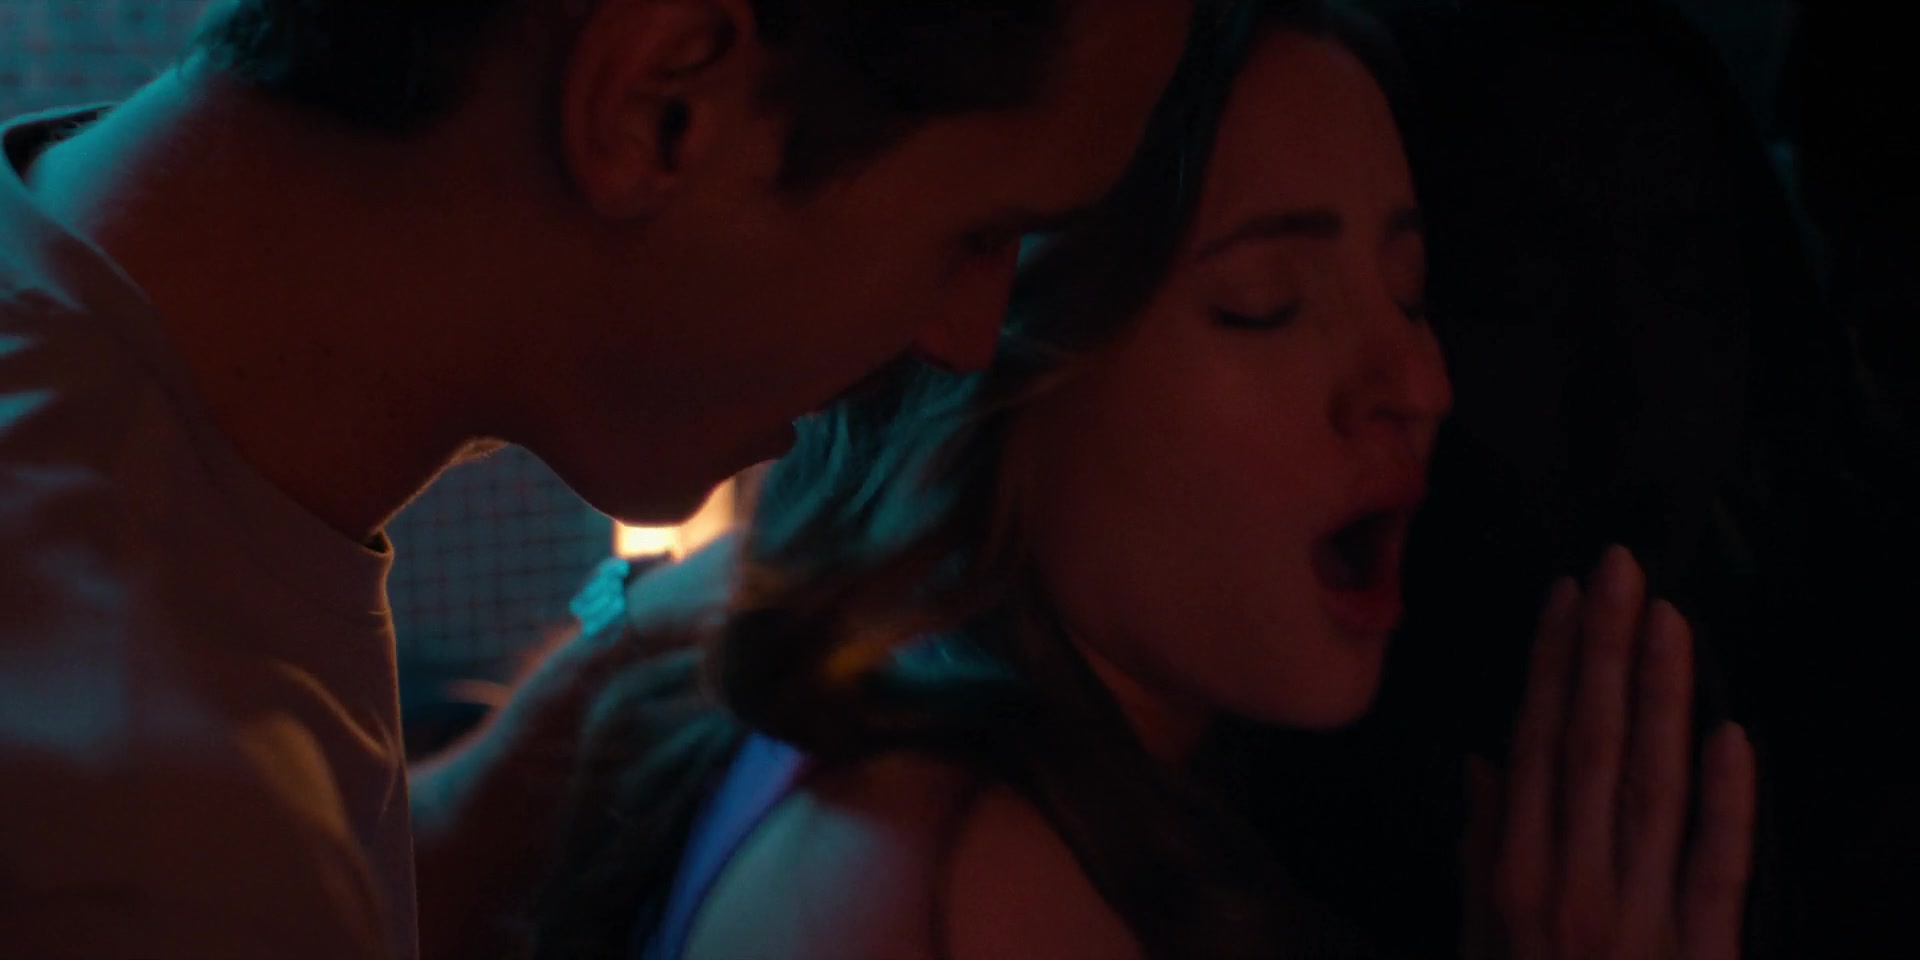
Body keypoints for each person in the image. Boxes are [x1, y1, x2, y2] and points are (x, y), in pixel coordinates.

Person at [533, 3, 1758, 959]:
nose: (1418, 384)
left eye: (1409, 292)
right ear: (1010, 367)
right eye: (1264, 307)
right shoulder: (977, 892)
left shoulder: (882, 758)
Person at [0, 0, 1195, 957]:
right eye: (979, 230)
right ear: (661, 104)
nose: (970, 340)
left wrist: (565, 723)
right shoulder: (133, 851)